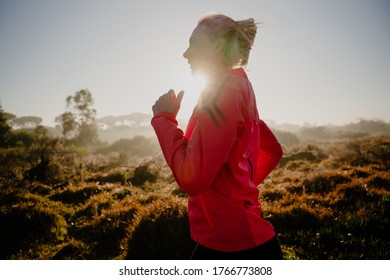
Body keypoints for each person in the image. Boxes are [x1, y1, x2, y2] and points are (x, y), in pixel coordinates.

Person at [151, 13, 283, 260]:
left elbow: (193, 179)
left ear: (218, 45)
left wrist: (164, 120)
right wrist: (236, 189)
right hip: (242, 239)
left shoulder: (221, 94)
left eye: (194, 43)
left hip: (234, 246)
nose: (185, 53)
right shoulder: (240, 87)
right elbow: (272, 150)